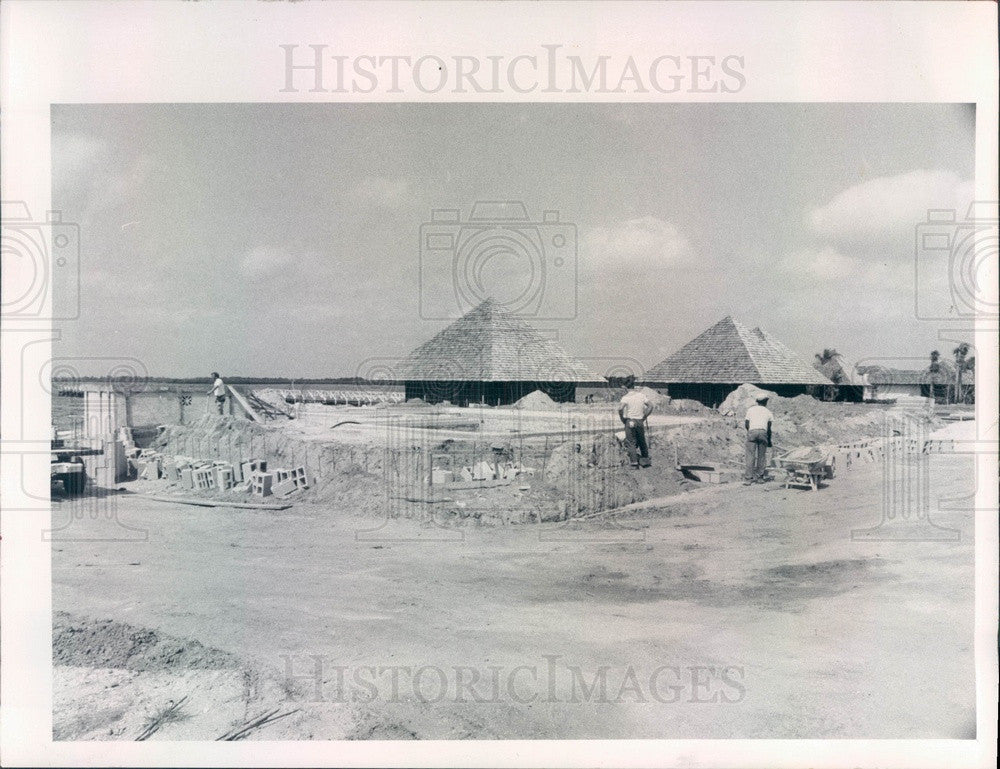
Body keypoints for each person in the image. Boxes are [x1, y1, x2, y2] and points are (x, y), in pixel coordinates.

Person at [618, 376, 653, 468]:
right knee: (642, 440)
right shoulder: (641, 395)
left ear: (625, 387)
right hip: (640, 421)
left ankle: (634, 463)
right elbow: (650, 406)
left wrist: (622, 418)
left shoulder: (625, 397)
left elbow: (620, 408)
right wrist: (644, 416)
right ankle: (646, 460)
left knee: (631, 442)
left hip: (630, 421)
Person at [743, 394, 774, 484]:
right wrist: (769, 441)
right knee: (762, 456)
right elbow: (769, 428)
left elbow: (746, 424)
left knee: (750, 456)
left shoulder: (750, 410)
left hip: (752, 432)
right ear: (766, 402)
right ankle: (760, 477)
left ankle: (748, 479)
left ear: (757, 401)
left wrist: (751, 432)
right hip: (763, 433)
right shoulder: (768, 412)